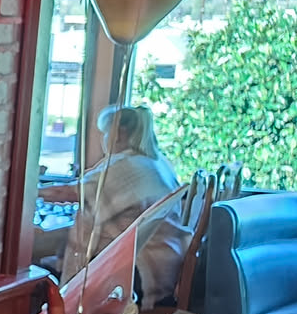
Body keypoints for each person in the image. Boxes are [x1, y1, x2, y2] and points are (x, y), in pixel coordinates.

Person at [43, 104, 189, 299]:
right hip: (163, 261)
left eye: (105, 133)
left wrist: (30, 190)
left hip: (139, 270)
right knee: (52, 261)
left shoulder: (127, 166)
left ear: (120, 133)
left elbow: (68, 193)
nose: (103, 139)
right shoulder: (157, 162)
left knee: (38, 274)